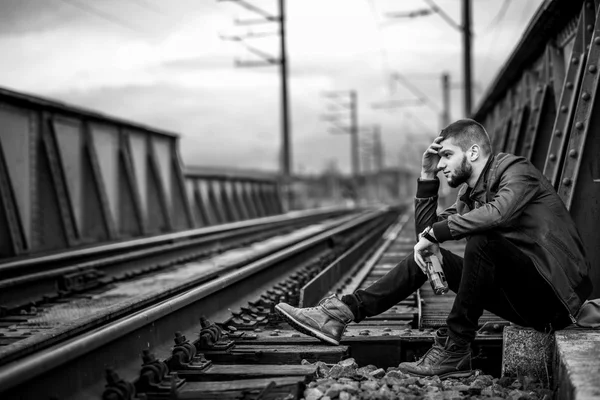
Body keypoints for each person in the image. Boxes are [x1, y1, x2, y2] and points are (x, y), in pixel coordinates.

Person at [275, 119, 592, 379]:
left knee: (483, 241)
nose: (441, 166)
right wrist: (426, 177)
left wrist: (435, 233)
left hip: (553, 299)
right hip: (520, 299)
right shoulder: (469, 197)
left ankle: (455, 348)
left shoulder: (515, 171)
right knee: (426, 255)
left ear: (473, 152)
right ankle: (341, 313)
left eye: (446, 157)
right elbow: (424, 240)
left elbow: (499, 213)